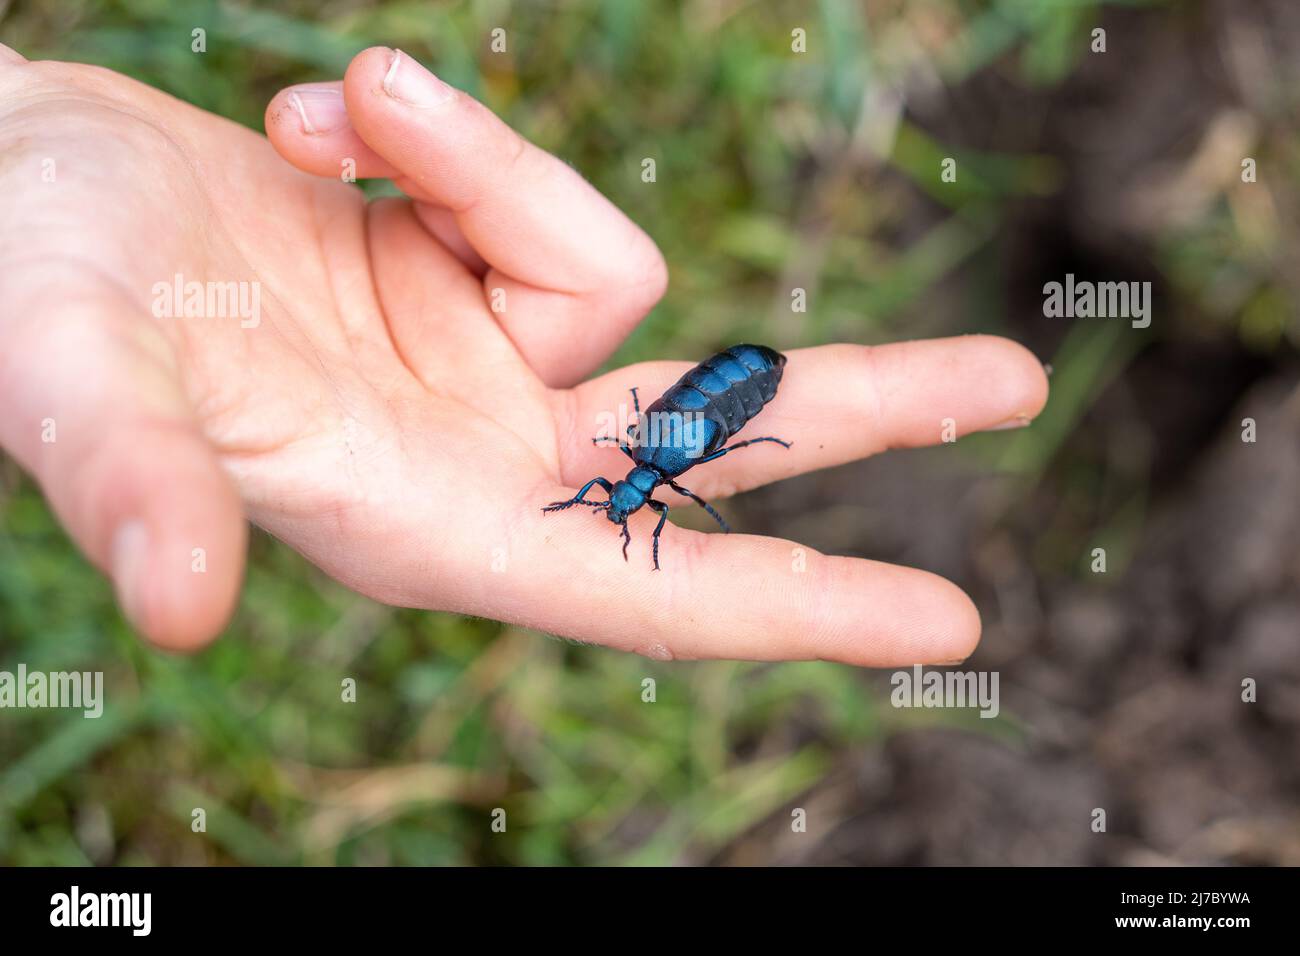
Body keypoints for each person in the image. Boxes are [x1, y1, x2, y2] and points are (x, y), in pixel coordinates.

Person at [0, 44, 1048, 665]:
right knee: (712, 413)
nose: (628, 501)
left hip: (738, 380)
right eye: (631, 503)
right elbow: (705, 429)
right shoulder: (656, 457)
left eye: (628, 501)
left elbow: (710, 423)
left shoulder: (656, 455)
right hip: (731, 385)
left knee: (714, 412)